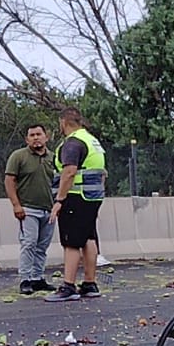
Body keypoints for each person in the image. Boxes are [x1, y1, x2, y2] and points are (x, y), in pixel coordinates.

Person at [46, 107, 107, 302]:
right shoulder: (92, 140)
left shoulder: (73, 143)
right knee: (89, 237)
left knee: (71, 241)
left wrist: (59, 201)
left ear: (63, 122)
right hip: (92, 196)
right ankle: (90, 283)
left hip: (75, 196)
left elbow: (69, 172)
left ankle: (68, 286)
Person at [3, 123, 57, 294]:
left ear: (46, 137)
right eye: (32, 135)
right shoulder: (18, 156)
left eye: (39, 134)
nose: (36, 138)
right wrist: (16, 205)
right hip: (28, 209)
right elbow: (9, 181)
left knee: (42, 246)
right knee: (29, 243)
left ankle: (38, 278)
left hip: (49, 209)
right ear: (27, 139)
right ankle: (25, 279)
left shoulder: (54, 158)